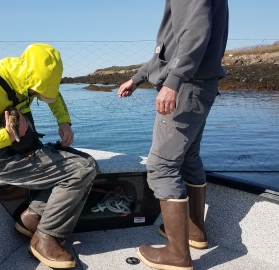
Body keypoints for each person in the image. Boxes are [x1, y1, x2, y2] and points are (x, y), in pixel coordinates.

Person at [0, 43, 98, 269]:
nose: (39, 96)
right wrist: (7, 136)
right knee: (82, 169)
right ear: (29, 80)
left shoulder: (23, 76)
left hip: (28, 148)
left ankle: (31, 218)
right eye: (37, 93)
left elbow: (55, 94)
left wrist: (64, 122)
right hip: (6, 160)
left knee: (84, 163)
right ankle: (45, 237)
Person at [118, 1, 229, 269]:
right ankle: (193, 232)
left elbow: (194, 31)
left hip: (187, 87)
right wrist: (138, 78)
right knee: (189, 158)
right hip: (201, 85)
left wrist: (173, 81)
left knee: (162, 166)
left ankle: (177, 255)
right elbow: (168, 47)